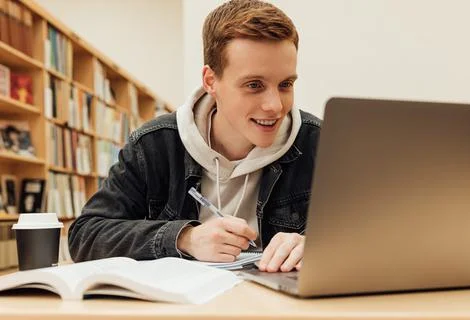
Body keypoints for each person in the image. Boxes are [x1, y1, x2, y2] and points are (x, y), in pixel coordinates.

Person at [68, 0, 321, 273]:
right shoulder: (153, 145)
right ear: (211, 81)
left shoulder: (321, 143)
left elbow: (369, 232)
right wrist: (185, 238)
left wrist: (317, 245)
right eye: (254, 85)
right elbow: (85, 235)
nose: (275, 105)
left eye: (286, 84)